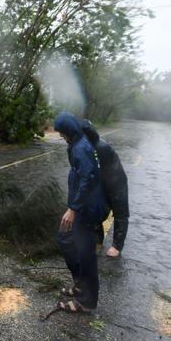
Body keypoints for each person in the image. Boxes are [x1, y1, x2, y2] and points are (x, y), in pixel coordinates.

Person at [53, 112, 106, 314]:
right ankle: (80, 285)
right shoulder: (78, 143)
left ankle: (86, 301)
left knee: (85, 255)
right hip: (83, 206)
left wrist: (73, 209)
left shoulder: (80, 148)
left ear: (69, 131)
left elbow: (89, 179)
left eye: (61, 133)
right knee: (65, 239)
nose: (60, 136)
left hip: (86, 209)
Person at [81, 119, 130, 258]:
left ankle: (117, 246)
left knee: (120, 213)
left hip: (116, 182)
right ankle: (97, 239)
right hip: (102, 182)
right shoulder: (87, 145)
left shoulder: (99, 147)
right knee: (96, 210)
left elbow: (91, 172)